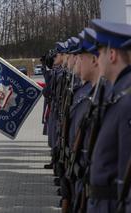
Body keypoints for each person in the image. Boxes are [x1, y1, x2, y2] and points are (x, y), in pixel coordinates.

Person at [85, 19, 131, 213]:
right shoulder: (118, 94)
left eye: (100, 52)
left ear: (111, 55)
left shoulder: (127, 101)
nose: (98, 59)